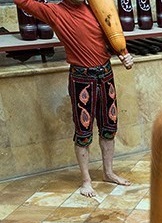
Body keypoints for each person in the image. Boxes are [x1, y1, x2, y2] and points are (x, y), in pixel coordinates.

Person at [13, 0, 134, 198]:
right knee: (83, 132)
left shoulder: (96, 6)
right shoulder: (54, 12)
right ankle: (86, 180)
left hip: (106, 75)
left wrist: (124, 55)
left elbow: (109, 38)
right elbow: (23, 2)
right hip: (82, 79)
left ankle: (108, 172)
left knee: (109, 127)